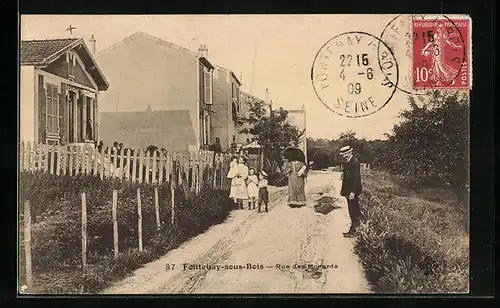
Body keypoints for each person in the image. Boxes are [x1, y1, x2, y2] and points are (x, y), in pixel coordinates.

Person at [339, 145, 363, 238]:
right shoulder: (347, 162)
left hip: (352, 191)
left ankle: (354, 231)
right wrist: (343, 191)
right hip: (348, 191)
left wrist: (353, 192)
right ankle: (355, 230)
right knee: (351, 210)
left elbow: (356, 178)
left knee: (354, 211)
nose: (344, 156)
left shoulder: (355, 162)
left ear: (350, 152)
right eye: (343, 154)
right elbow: (345, 178)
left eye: (345, 153)